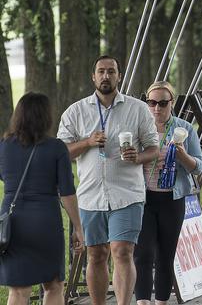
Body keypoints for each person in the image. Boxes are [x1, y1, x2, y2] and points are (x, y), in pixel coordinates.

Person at [57, 56, 159, 305]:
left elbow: (154, 149)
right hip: (91, 196)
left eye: (111, 72)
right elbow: (60, 152)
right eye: (101, 72)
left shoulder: (137, 109)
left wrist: (138, 157)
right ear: (93, 77)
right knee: (96, 254)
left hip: (127, 194)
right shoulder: (76, 111)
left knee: (122, 252)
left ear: (119, 76)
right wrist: (87, 142)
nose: (106, 76)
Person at [0, 93, 84, 305]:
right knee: (53, 286)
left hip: (13, 223)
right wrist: (78, 227)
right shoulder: (56, 148)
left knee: (18, 291)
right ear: (46, 116)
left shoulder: (4, 145)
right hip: (46, 223)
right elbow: (67, 192)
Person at [134, 81, 202, 305]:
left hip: (172, 200)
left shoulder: (184, 129)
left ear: (172, 103)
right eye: (152, 102)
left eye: (163, 103)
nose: (157, 108)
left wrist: (182, 155)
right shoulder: (139, 128)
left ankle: (162, 301)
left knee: (165, 255)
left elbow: (198, 167)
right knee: (143, 254)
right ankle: (143, 301)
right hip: (143, 198)